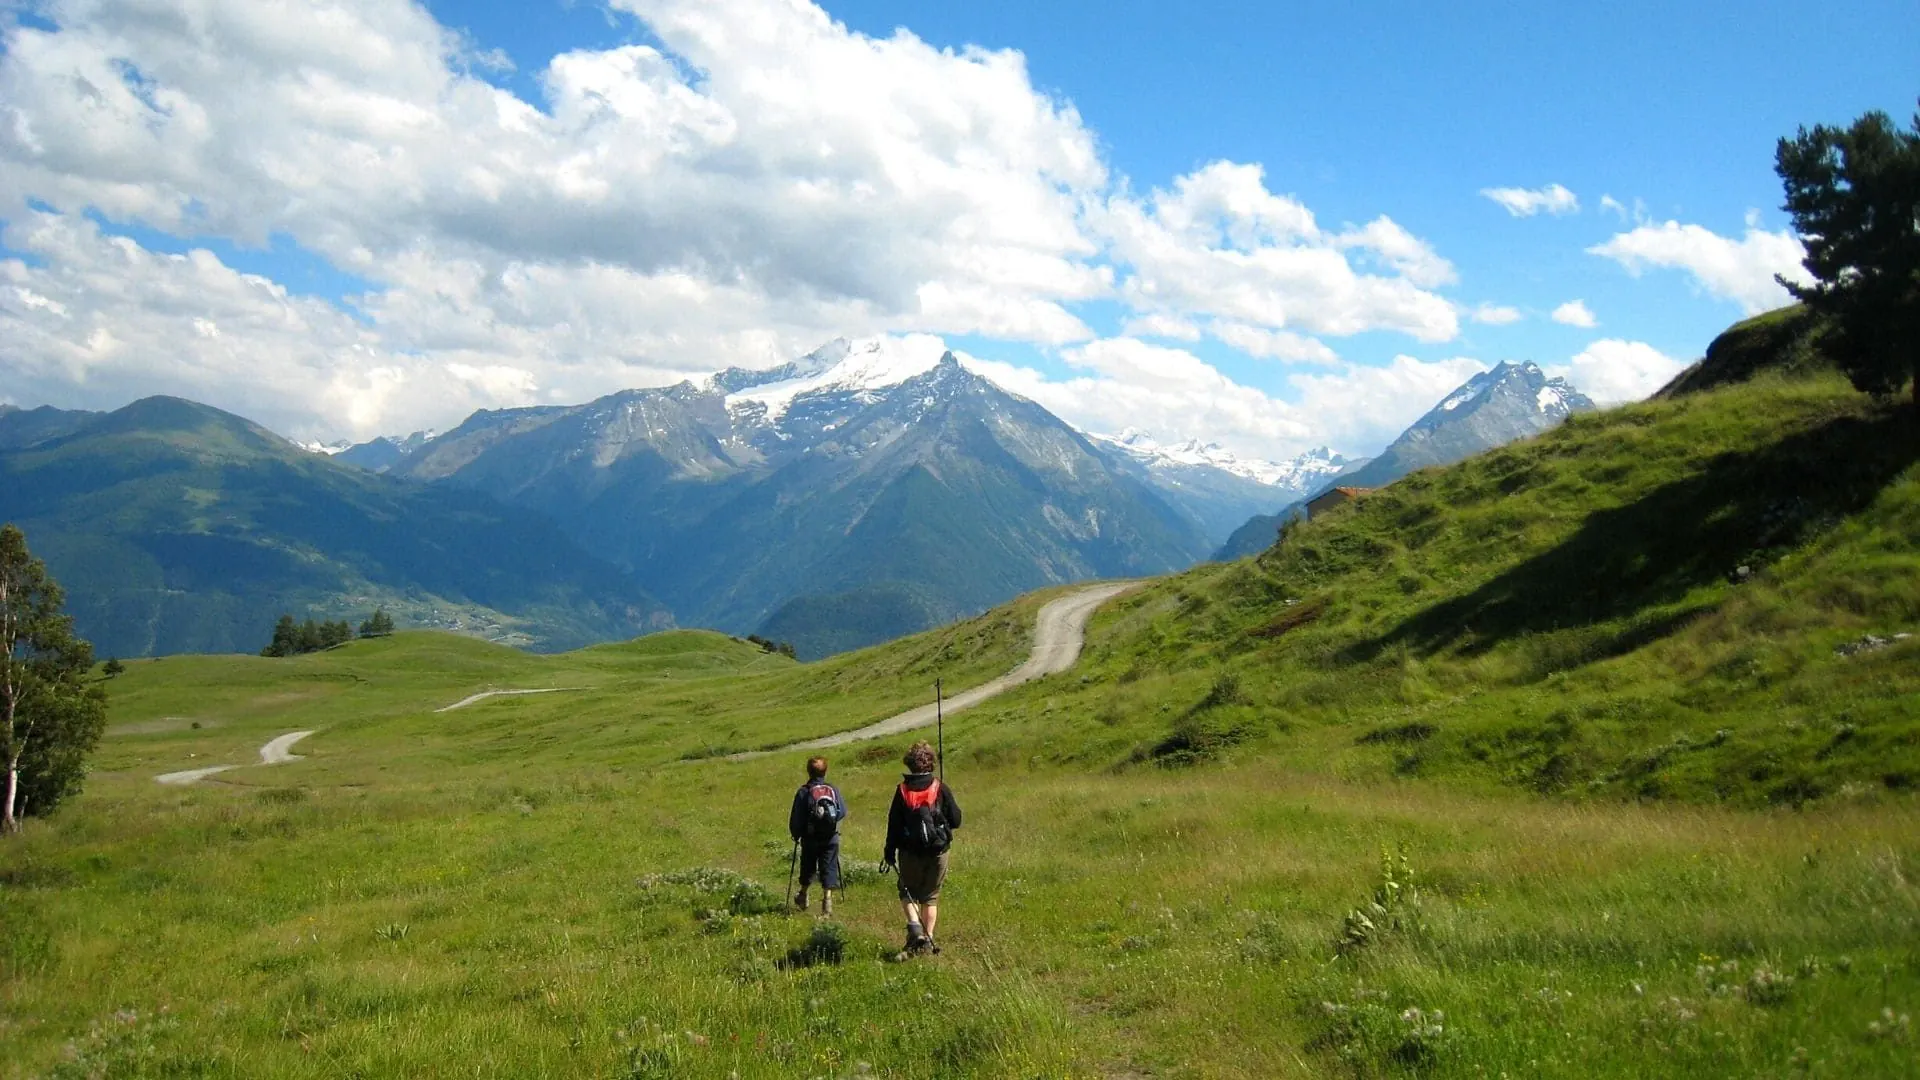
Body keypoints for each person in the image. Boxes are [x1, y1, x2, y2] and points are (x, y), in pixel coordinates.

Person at [883, 740, 962, 956]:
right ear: (931, 762)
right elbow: (956, 820)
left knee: (906, 891)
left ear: (909, 764)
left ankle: (915, 929)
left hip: (909, 852)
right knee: (931, 896)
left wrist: (889, 852)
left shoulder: (902, 791)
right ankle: (927, 940)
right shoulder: (940, 787)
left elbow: (894, 825)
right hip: (938, 851)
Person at [788, 755, 846, 916]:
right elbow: (842, 811)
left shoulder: (804, 792)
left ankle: (803, 895)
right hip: (831, 837)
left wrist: (796, 833)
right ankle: (827, 902)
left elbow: (797, 816)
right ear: (825, 771)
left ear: (808, 771)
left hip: (810, 838)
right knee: (829, 866)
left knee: (808, 866)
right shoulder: (832, 789)